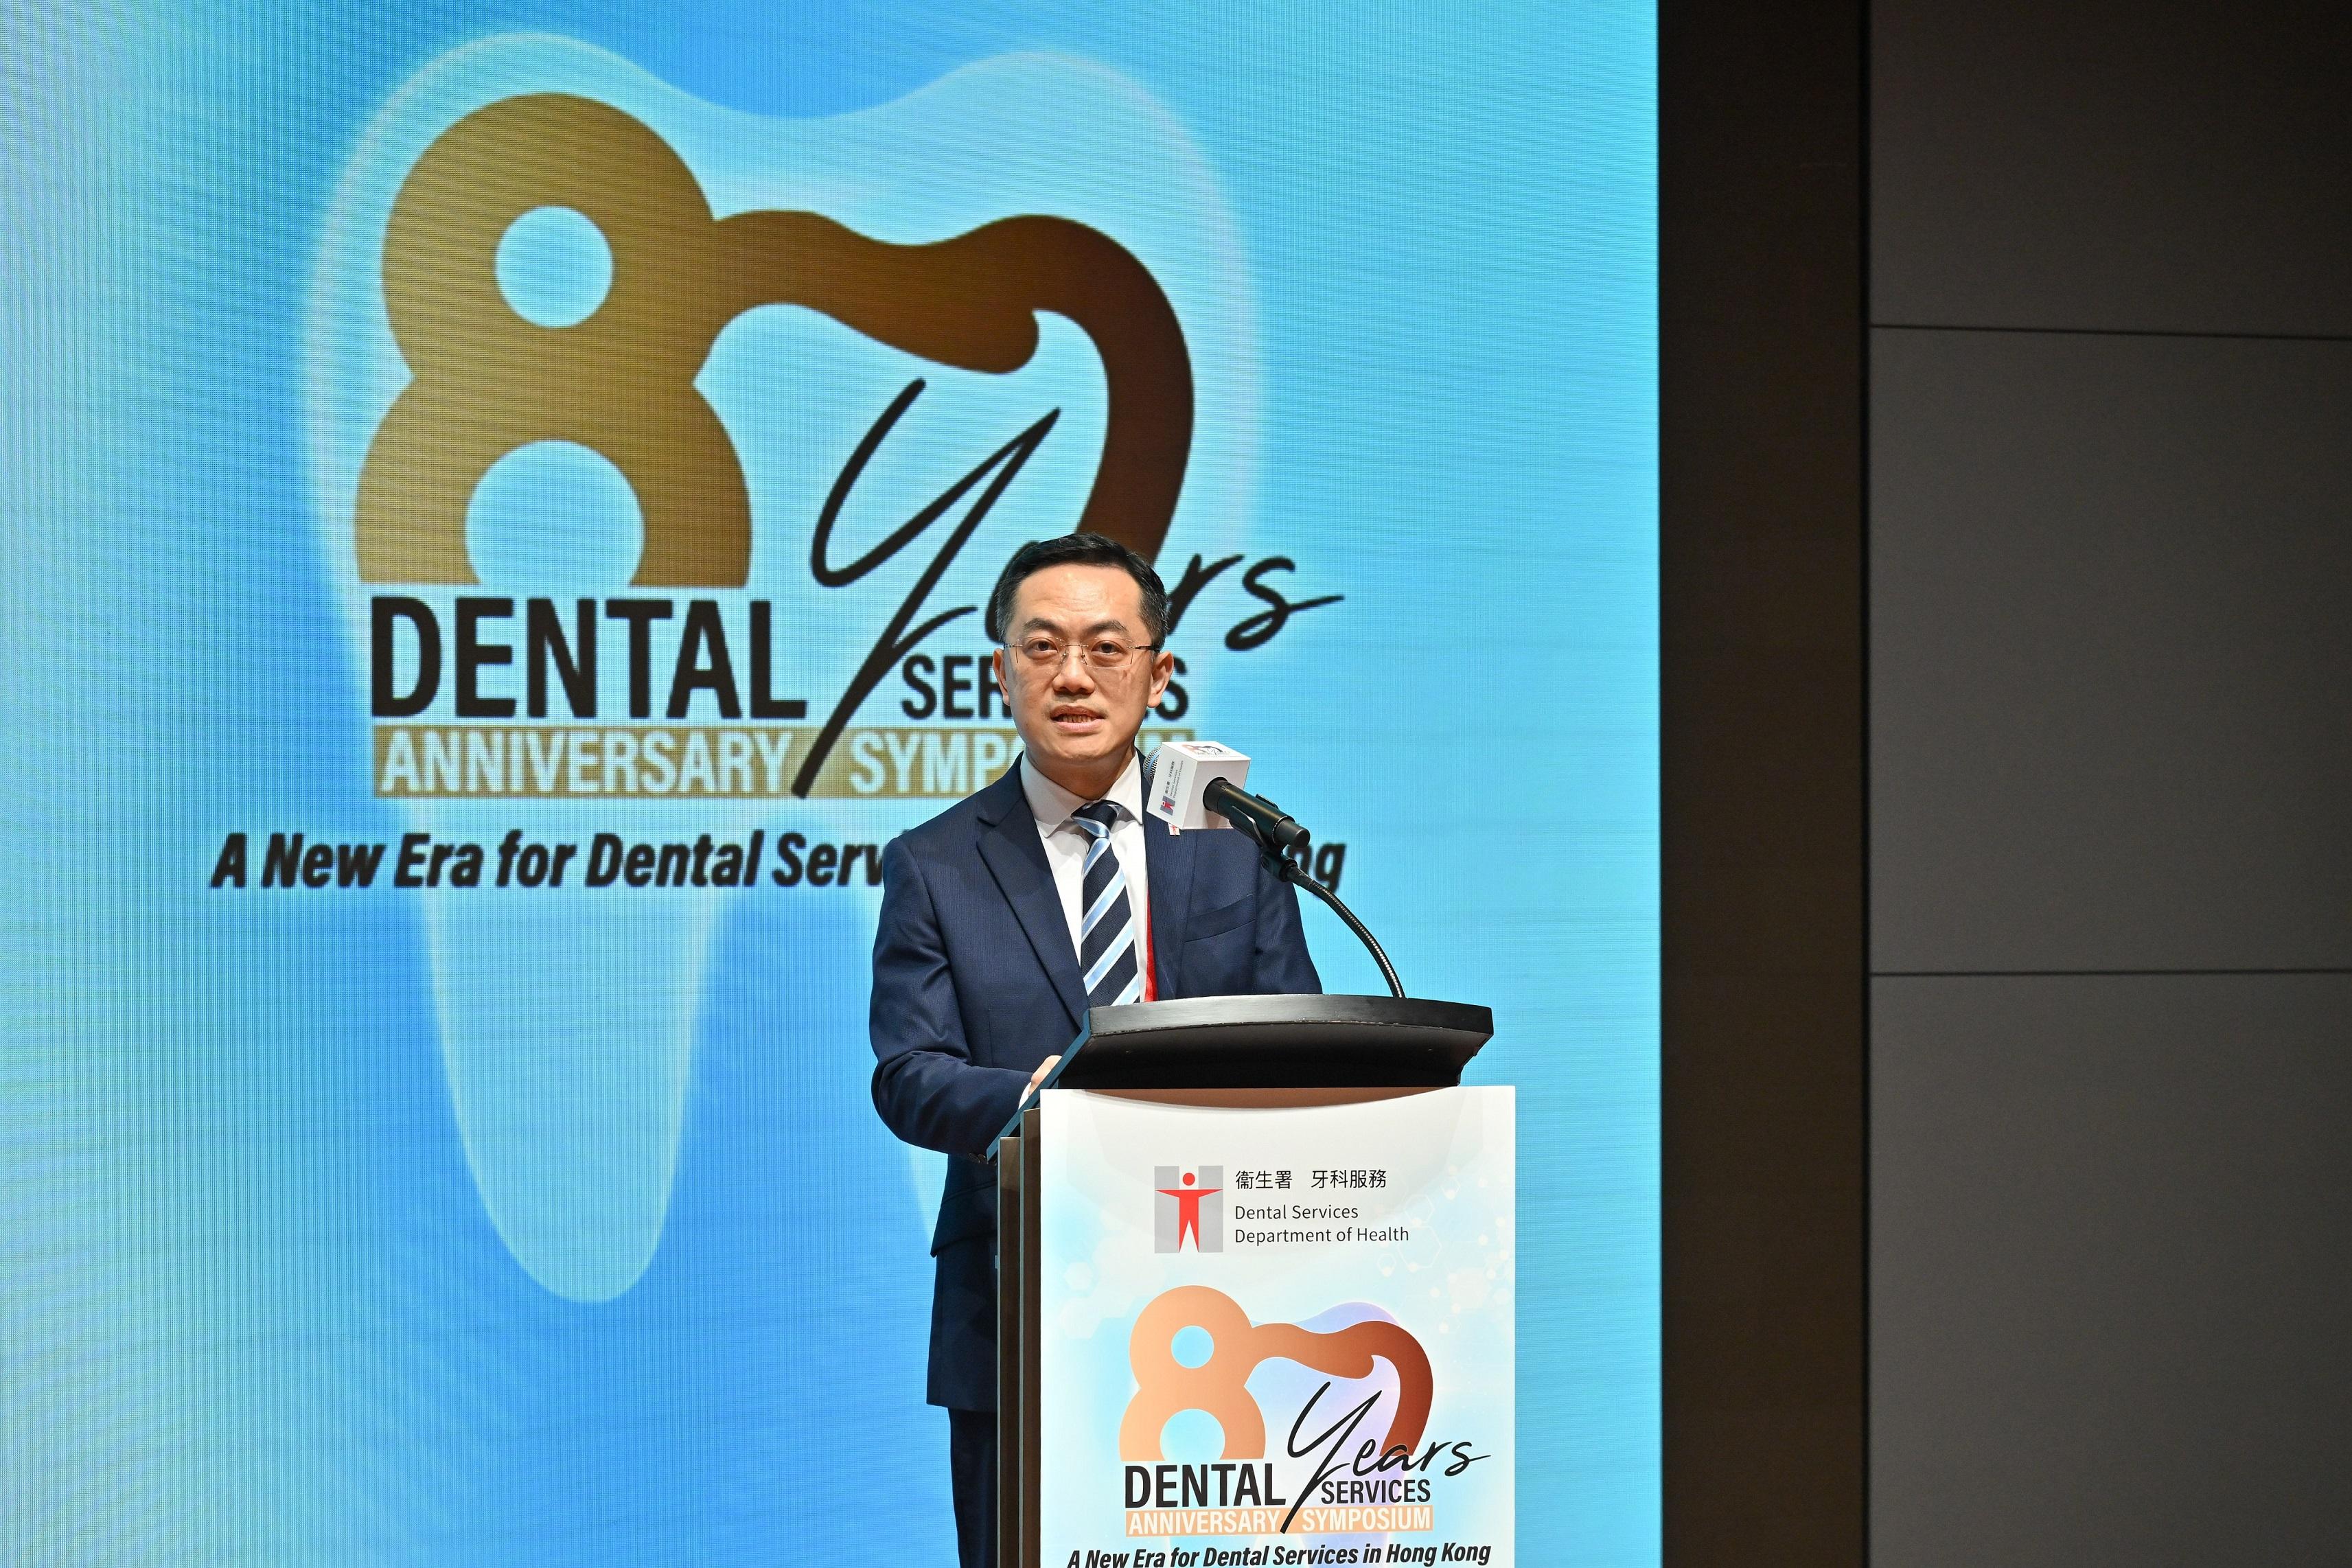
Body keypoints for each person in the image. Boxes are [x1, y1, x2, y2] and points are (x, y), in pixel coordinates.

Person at [869, 532, 1321, 1568]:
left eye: (1107, 648)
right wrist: (1038, 1102)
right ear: (1001, 673)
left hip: (1229, 1296)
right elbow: (909, 1075)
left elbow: (1298, 1042)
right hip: (1018, 1294)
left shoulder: (1234, 848)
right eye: (1042, 647)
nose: (1073, 676)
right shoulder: (935, 864)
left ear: (1158, 676)